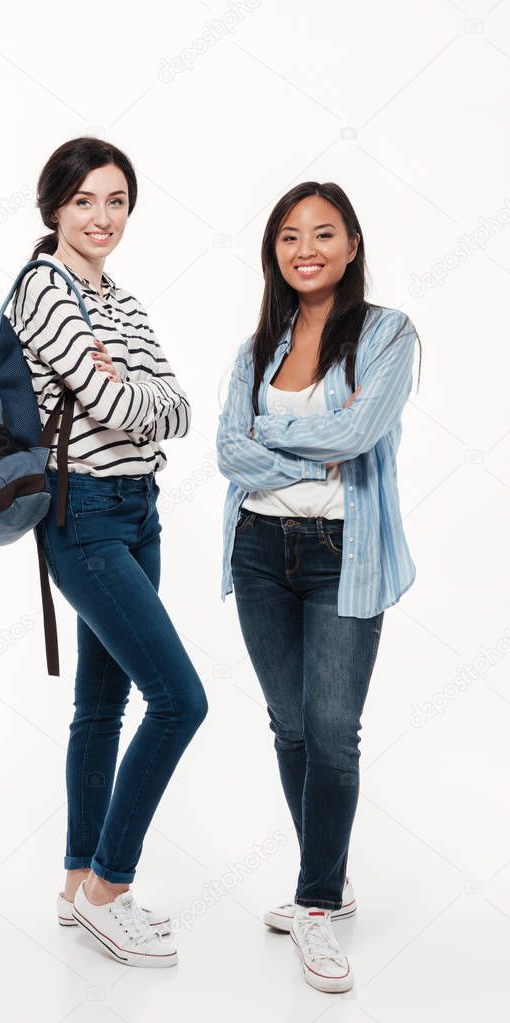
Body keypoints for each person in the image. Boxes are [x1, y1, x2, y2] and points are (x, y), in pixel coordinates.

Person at [216, 181, 422, 994]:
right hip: (258, 550)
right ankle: (325, 883)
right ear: (274, 251)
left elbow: (361, 431)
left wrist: (274, 432)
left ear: (352, 245)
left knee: (333, 730)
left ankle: (311, 903)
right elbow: (230, 450)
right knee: (289, 725)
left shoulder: (387, 334)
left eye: (323, 234)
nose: (306, 249)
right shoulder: (254, 348)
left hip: (346, 551)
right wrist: (302, 447)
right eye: (290, 236)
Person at [9, 137, 207, 969]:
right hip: (83, 514)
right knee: (180, 701)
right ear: (54, 204)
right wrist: (129, 394)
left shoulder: (118, 299)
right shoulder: (42, 287)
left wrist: (130, 393)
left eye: (117, 200)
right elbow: (109, 397)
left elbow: (178, 405)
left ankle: (74, 884)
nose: (102, 217)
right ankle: (109, 890)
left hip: (139, 510)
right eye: (85, 199)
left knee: (103, 706)